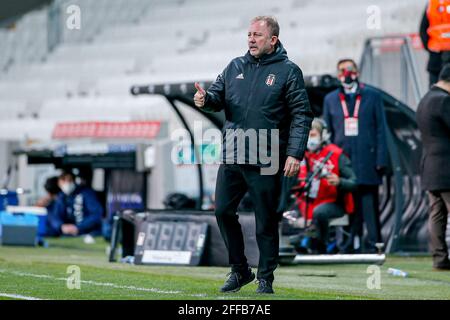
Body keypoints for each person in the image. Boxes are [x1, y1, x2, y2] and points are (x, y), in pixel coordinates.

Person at [193, 16, 313, 294]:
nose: (251, 39)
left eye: (257, 35)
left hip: (268, 155)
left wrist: (294, 153)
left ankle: (265, 278)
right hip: (234, 152)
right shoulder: (234, 65)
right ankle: (240, 270)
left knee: (266, 221)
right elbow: (216, 98)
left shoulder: (288, 71)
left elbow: (301, 115)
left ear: (272, 40)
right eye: (249, 34)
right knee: (223, 211)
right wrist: (204, 100)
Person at [323, 59, 388, 253]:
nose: (346, 74)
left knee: (369, 205)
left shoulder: (372, 96)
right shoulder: (331, 99)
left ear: (357, 72)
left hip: (368, 159)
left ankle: (374, 245)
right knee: (349, 206)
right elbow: (329, 132)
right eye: (342, 70)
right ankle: (349, 244)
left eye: (349, 69)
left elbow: (381, 130)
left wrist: (381, 160)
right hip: (344, 162)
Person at [292, 119, 357, 254]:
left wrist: (339, 182)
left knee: (319, 212)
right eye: (307, 135)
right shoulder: (299, 155)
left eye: (313, 135)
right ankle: (296, 243)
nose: (310, 139)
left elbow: (354, 183)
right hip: (306, 202)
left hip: (334, 203)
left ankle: (321, 245)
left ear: (323, 135)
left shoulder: (336, 154)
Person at [416, 63, 450, 271]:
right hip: (446, 167)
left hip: (430, 167)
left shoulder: (425, 99)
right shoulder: (444, 100)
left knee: (437, 214)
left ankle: (439, 259)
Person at [46, 170, 103, 237]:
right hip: (66, 232)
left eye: (69, 180)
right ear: (59, 183)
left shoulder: (86, 193)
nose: (66, 183)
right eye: (63, 180)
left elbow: (96, 214)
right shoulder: (60, 197)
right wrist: (61, 226)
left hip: (87, 231)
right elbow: (54, 216)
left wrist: (79, 227)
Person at [419, 0, 450, 86]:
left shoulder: (432, 4)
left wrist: (430, 48)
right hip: (439, 58)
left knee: (434, 93)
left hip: (435, 57)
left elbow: (422, 30)